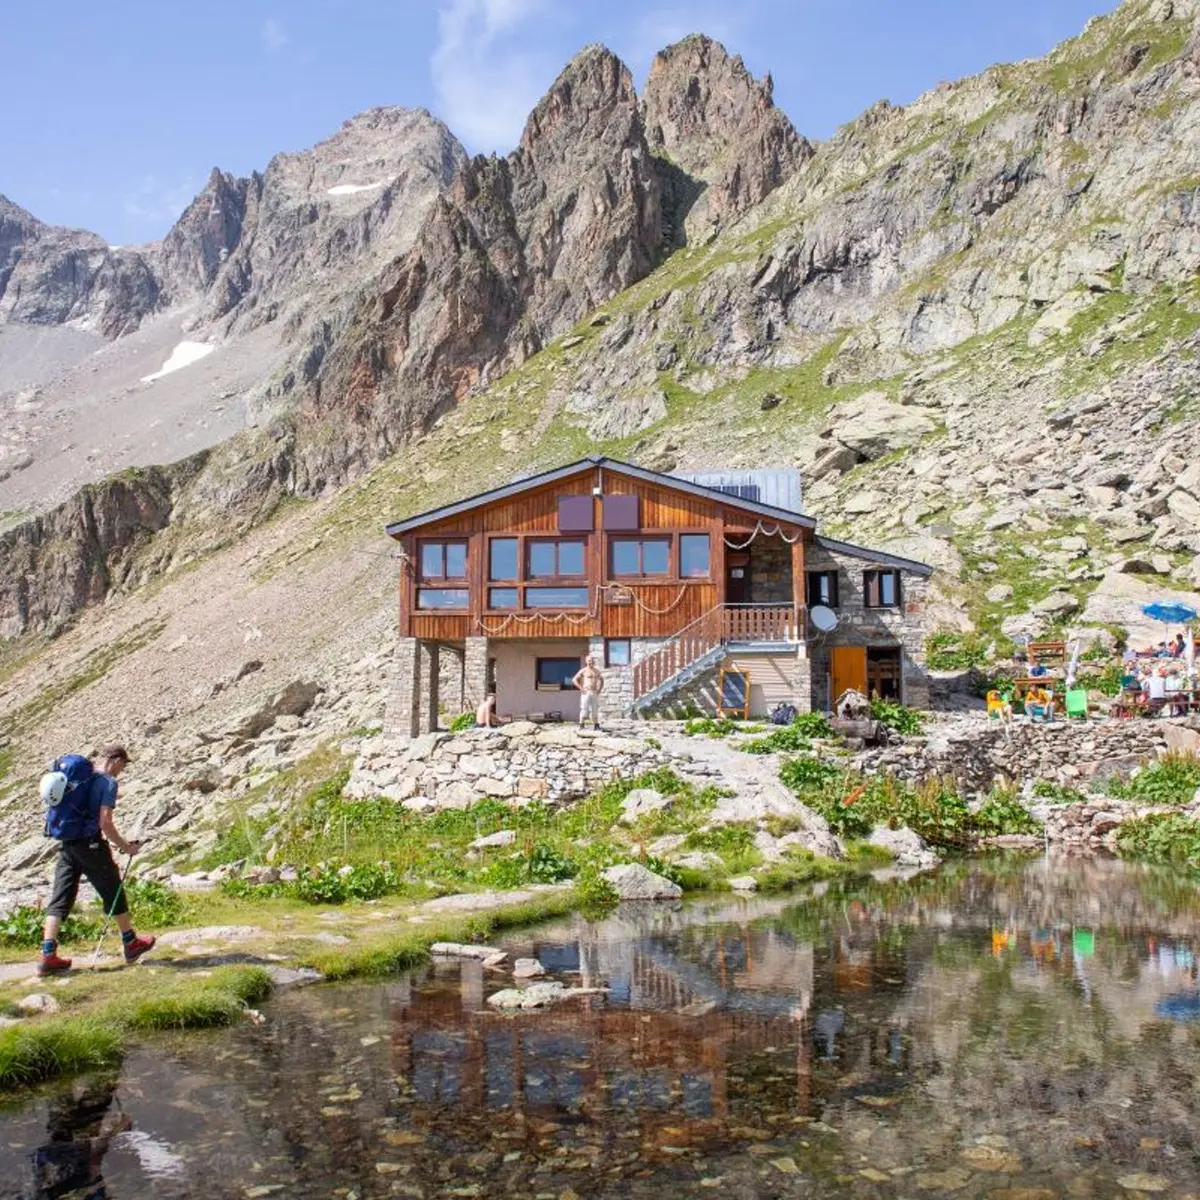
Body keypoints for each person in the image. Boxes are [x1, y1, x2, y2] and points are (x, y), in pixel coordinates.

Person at [38, 745, 155, 976]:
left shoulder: (79, 777)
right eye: (123, 765)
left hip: (67, 844)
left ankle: (47, 955)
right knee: (113, 890)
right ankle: (130, 943)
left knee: (60, 897)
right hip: (90, 844)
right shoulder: (107, 783)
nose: (122, 770)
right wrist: (125, 847)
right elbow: (105, 822)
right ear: (116, 760)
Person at [571, 655, 605, 731]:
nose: (591, 662)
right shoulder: (583, 670)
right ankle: (581, 725)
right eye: (589, 660)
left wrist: (599, 689)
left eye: (592, 660)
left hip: (594, 691)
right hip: (586, 692)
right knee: (584, 709)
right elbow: (574, 680)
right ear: (586, 662)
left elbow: (602, 680)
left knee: (595, 709)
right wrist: (581, 688)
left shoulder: (597, 671)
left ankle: (596, 725)